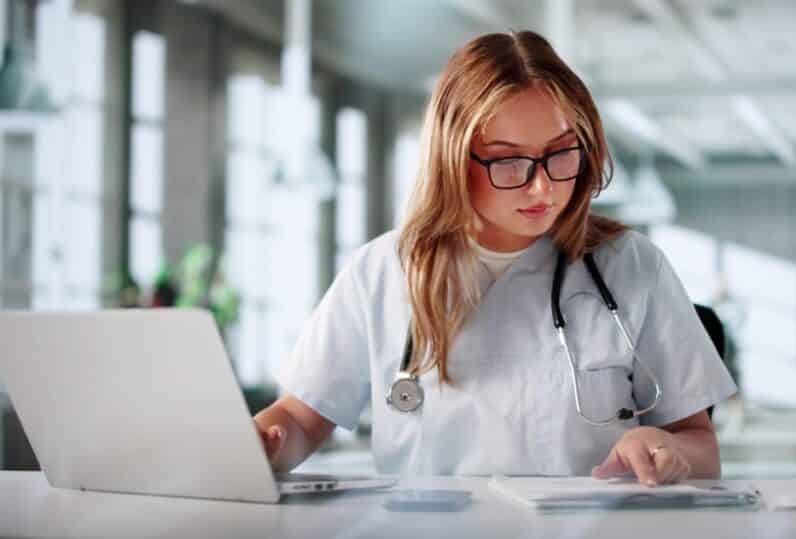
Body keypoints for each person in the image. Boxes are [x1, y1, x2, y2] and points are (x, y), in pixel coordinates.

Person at [254, 31, 736, 486]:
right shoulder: (382, 271)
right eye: (509, 161)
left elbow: (699, 445)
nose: (543, 186)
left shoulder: (631, 266)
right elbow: (299, 418)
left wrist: (667, 450)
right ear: (453, 160)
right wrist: (263, 443)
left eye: (562, 154)